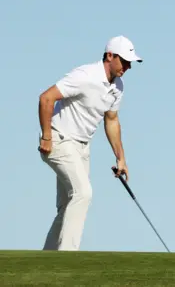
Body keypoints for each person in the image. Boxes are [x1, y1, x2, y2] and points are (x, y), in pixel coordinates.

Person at [38, 35, 143, 251]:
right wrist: (46, 136)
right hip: (59, 140)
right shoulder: (85, 75)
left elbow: (112, 120)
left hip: (82, 147)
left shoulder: (118, 86)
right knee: (83, 193)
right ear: (109, 56)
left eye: (130, 62)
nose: (128, 66)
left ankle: (47, 258)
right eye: (124, 61)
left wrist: (121, 158)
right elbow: (46, 98)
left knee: (69, 204)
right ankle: (67, 257)